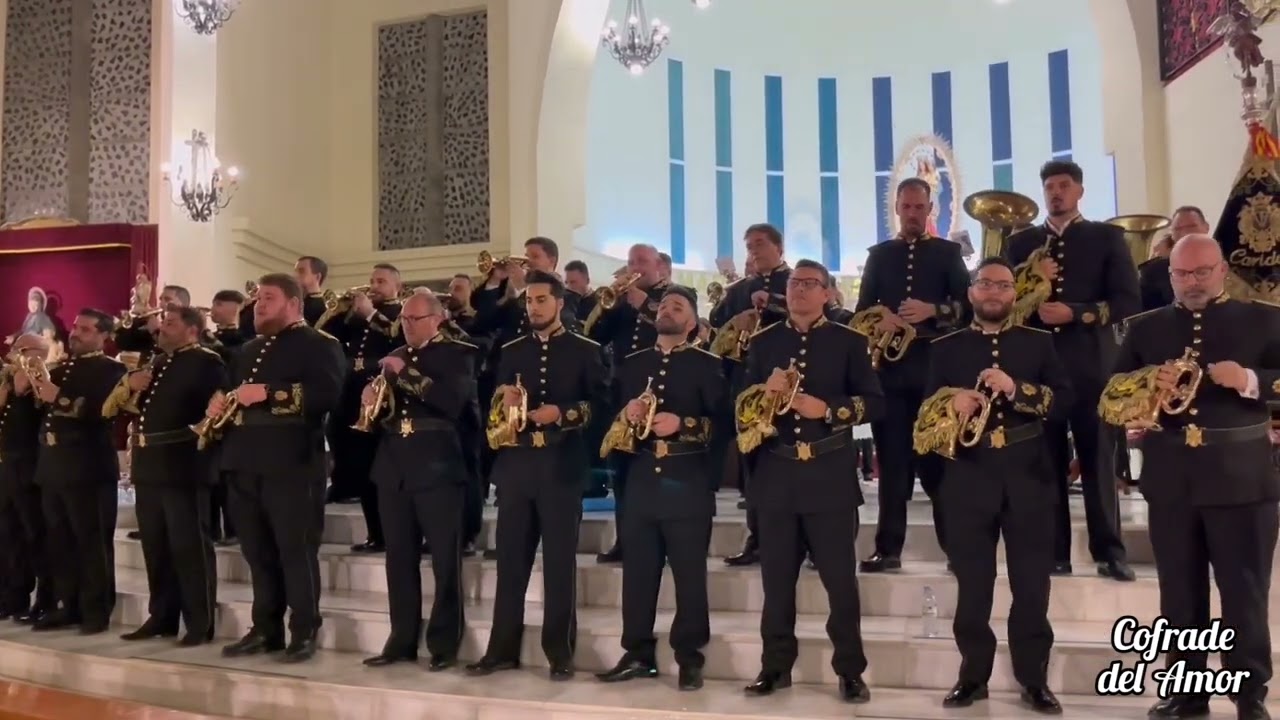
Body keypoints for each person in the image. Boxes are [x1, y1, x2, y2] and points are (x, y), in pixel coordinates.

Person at [1102, 235, 1280, 720]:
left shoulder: (1265, 318)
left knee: (1244, 594)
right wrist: (1145, 386)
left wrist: (1250, 380)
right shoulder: (1146, 328)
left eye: (1202, 272)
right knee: (1179, 594)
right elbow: (1112, 394)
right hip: (1172, 479)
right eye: (1182, 274)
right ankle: (1187, 691)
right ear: (1170, 276)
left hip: (1242, 479)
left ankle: (1249, 695)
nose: (1193, 282)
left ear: (1222, 270)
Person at [917, 258, 1072, 714]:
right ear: (971, 292)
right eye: (984, 283)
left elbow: (1065, 402)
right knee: (973, 586)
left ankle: (1034, 680)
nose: (993, 292)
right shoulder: (945, 348)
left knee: (1032, 587)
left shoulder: (1039, 343)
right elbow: (925, 415)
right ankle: (972, 677)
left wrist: (1017, 389)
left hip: (1029, 477)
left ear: (1013, 294)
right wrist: (951, 404)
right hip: (968, 476)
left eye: (1003, 285)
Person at [735, 259, 883, 703]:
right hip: (776, 476)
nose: (799, 289)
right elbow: (739, 408)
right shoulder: (763, 342)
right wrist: (762, 395)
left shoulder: (849, 341)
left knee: (841, 584)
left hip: (829, 477)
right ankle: (775, 667)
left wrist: (830, 410)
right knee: (777, 583)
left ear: (827, 293)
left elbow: (875, 403)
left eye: (809, 283)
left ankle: (850, 671)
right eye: (794, 283)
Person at [466, 270, 606, 681]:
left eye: (542, 300)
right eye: (529, 301)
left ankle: (559, 652)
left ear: (560, 303)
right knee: (510, 563)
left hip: (561, 468)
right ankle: (501, 650)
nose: (534, 307)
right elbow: (494, 409)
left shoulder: (586, 349)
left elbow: (602, 407)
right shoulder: (511, 350)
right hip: (517, 467)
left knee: (559, 565)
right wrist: (503, 401)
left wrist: (562, 413)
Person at [1004, 160, 1138, 581]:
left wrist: (1077, 313)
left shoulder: (1106, 237)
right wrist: (1030, 278)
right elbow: (1000, 300)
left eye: (1064, 185)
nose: (1056, 192)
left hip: (1090, 366)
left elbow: (1128, 301)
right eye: (1049, 186)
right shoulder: (1021, 243)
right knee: (1045, 463)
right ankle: (1054, 552)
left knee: (1098, 458)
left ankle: (1110, 551)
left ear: (1079, 191)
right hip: (1038, 370)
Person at [596, 285, 724, 691]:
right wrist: (627, 414)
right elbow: (611, 419)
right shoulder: (632, 363)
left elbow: (724, 425)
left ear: (692, 322)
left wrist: (683, 424)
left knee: (689, 576)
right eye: (664, 304)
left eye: (678, 306)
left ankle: (689, 656)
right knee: (637, 574)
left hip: (687, 481)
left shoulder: (708, 364)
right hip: (640, 479)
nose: (668, 309)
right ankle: (637, 653)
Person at [213, 273, 345, 663]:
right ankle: (265, 628)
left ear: (294, 304)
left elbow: (326, 396)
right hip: (244, 461)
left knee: (296, 551)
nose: (259, 305)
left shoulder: (320, 344)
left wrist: (269, 393)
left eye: (268, 298)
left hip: (292, 462)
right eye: (257, 298)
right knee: (257, 553)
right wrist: (218, 402)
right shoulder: (247, 350)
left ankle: (303, 630)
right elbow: (235, 394)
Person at [856, 177, 972, 573]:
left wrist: (932, 311)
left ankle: (956, 548)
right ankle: (887, 549)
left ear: (929, 210)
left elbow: (968, 308)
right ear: (897, 209)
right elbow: (861, 312)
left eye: (919, 207)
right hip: (890, 374)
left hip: (935, 373)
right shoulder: (879, 256)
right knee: (891, 465)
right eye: (906, 207)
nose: (912, 214)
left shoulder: (948, 253)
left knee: (940, 461)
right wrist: (880, 319)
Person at [362, 292, 477, 671]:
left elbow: (450, 402)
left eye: (415, 319)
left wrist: (403, 375)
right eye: (404, 320)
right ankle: (401, 639)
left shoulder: (458, 353)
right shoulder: (396, 353)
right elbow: (385, 414)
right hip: (393, 465)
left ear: (437, 320)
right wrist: (373, 400)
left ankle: (443, 643)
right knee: (398, 558)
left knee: (445, 559)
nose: (407, 326)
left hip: (438, 465)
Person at [105, 307, 226, 646]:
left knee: (189, 548)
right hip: (149, 464)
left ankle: (199, 622)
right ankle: (162, 616)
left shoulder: (207, 362)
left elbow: (217, 413)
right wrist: (131, 385)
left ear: (192, 330)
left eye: (171, 324)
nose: (161, 328)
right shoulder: (158, 362)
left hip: (182, 464)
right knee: (156, 547)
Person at [29, 309, 127, 633]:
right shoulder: (61, 368)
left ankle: (96, 610)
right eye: (75, 327)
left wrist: (59, 397)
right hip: (53, 465)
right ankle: (68, 605)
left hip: (88, 467)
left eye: (85, 329)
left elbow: (102, 412)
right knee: (60, 541)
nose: (75, 333)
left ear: (104, 336)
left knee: (91, 541)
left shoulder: (113, 370)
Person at [587, 243, 671, 563]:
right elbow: (594, 335)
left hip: (658, 395)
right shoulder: (622, 300)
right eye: (631, 261)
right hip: (622, 395)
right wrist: (608, 305)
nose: (636, 267)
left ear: (658, 266)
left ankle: (661, 542)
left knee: (656, 473)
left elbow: (681, 329)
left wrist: (645, 305)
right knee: (621, 472)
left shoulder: (675, 294)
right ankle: (625, 540)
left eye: (642, 261)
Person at [712, 225, 790, 568]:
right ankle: (757, 539)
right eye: (749, 246)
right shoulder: (740, 289)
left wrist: (773, 304)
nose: (753, 251)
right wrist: (736, 320)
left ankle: (801, 541)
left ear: (779, 247)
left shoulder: (797, 281)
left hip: (787, 386)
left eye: (759, 244)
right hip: (747, 386)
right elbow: (718, 330)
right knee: (752, 469)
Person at [323, 264, 403, 535]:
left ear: (397, 287)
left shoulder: (400, 312)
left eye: (381, 281)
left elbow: (397, 335)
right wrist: (339, 309)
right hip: (351, 393)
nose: (374, 286)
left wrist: (370, 313)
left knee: (376, 465)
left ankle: (385, 531)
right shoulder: (356, 316)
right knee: (358, 462)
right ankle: (373, 531)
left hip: (380, 394)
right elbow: (325, 334)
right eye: (372, 280)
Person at [0, 333, 54, 624]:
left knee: (35, 534)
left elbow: (47, 408)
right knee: (7, 534)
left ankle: (45, 600)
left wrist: (32, 380)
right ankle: (13, 597)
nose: (15, 354)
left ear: (40, 352)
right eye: (15, 349)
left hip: (29, 464)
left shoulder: (46, 377)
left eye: (22, 349)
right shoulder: (7, 379)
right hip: (6, 463)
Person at [239, 256, 330, 337]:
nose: (295, 276)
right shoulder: (285, 298)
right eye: (295, 271)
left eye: (301, 271)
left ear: (317, 277)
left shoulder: (325, 308)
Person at [1139, 206, 1207, 312]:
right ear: (1172, 235)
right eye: (1178, 229)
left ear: (1206, 227)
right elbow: (1146, 315)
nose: (1184, 234)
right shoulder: (1153, 272)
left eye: (1192, 226)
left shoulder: (1227, 262)